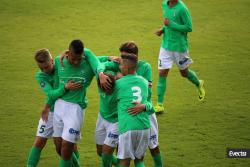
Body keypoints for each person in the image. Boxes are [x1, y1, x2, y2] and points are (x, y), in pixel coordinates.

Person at [100, 41, 163, 166]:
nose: (120, 60)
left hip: (144, 112)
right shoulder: (120, 64)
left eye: (124, 57)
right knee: (137, 157)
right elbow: (97, 62)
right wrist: (107, 60)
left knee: (153, 145)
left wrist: (121, 78)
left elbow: (147, 93)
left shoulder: (145, 67)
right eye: (121, 56)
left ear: (134, 57)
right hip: (137, 116)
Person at [53, 39, 110, 167]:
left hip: (76, 109)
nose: (76, 62)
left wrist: (101, 72)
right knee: (59, 148)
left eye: (79, 59)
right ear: (68, 53)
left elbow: (97, 62)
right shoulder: (58, 61)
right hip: (58, 106)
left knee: (67, 147)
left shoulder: (88, 63)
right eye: (73, 58)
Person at [27, 48, 81, 167]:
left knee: (69, 145)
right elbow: (51, 94)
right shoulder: (41, 76)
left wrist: (107, 59)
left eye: (46, 67)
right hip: (51, 111)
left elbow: (81, 57)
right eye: (41, 68)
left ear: (52, 61)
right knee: (39, 141)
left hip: (69, 109)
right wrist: (65, 88)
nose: (44, 70)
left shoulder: (61, 63)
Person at [154, 0, 206, 113]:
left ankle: (198, 83)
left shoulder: (182, 9)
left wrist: (170, 25)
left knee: (184, 73)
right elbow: (167, 23)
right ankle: (159, 104)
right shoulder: (164, 4)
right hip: (166, 46)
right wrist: (162, 30)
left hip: (179, 48)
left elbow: (188, 27)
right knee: (162, 73)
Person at [114, 53, 151, 167]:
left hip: (127, 127)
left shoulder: (118, 84)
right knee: (139, 160)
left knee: (124, 162)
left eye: (121, 66)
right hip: (144, 126)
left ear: (126, 68)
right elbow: (149, 105)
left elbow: (110, 99)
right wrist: (145, 106)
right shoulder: (144, 82)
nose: (119, 68)